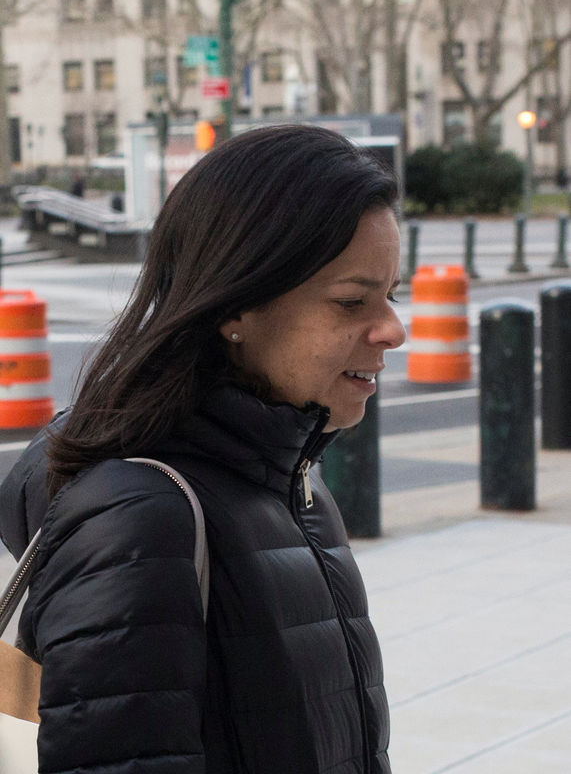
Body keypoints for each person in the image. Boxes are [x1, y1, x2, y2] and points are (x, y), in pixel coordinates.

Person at [0, 125, 405, 773]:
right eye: (351, 301)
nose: (392, 329)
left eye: (391, 295)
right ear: (236, 306)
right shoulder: (143, 517)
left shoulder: (289, 479)